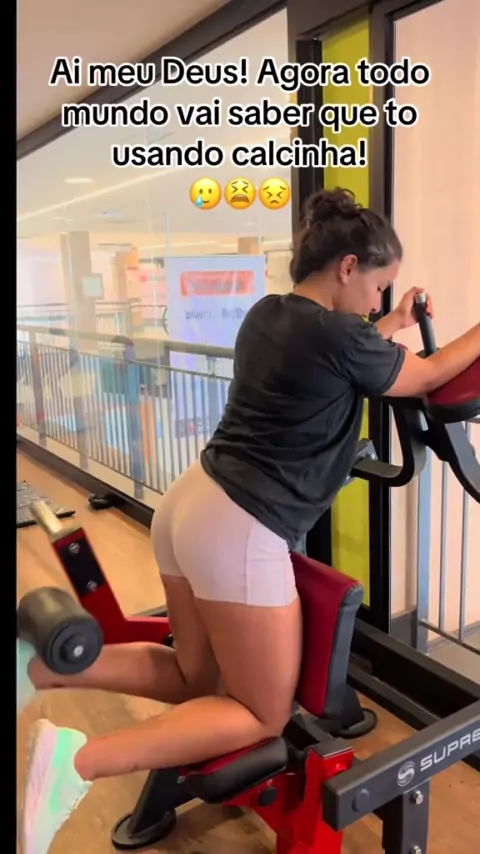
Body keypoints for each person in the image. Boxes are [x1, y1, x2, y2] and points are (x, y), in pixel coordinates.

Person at [17, 188, 480, 854]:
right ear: (348, 267)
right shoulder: (342, 336)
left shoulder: (273, 314)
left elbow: (348, 354)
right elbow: (430, 373)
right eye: (379, 287)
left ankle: (33, 670)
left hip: (190, 504)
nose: (378, 302)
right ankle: (78, 762)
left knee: (195, 678)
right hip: (240, 527)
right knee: (260, 712)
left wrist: (395, 323)